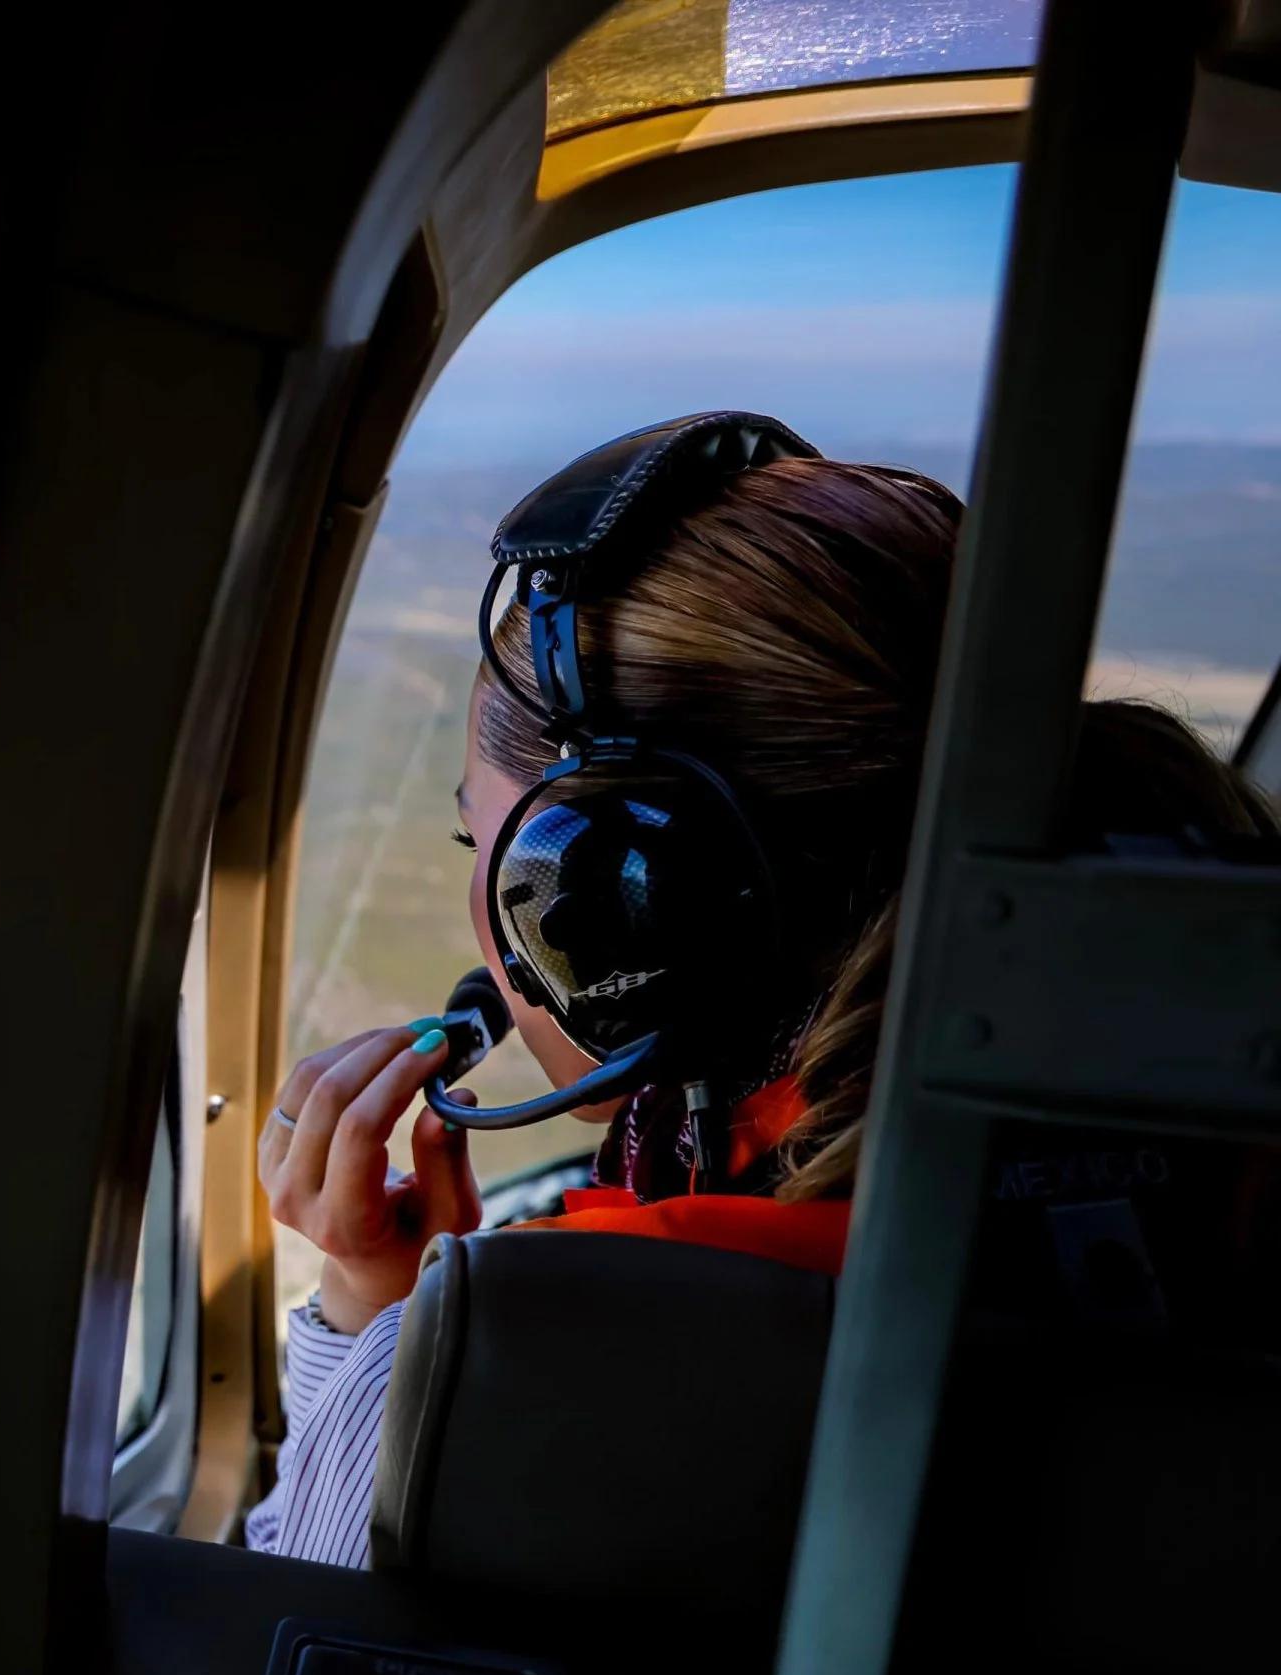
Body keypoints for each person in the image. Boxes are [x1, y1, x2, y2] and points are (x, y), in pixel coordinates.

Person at [248, 436, 1277, 1569]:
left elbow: (295, 1623)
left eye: (483, 849)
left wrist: (373, 1316)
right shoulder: (1224, 1182)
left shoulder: (522, 1352)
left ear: (620, 908)